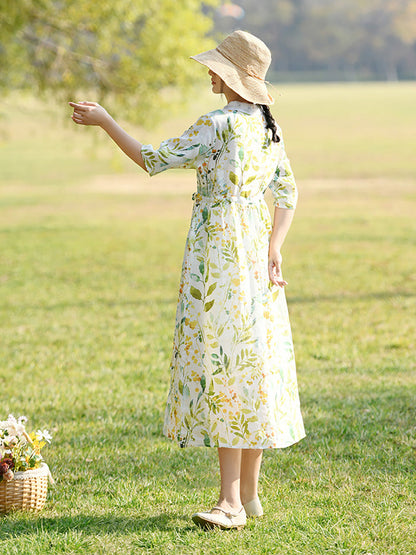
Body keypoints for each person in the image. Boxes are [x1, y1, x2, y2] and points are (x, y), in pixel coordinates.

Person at [69, 30, 305, 531]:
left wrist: (106, 121)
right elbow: (287, 192)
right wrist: (275, 248)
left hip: (221, 261)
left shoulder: (218, 124)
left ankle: (230, 504)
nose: (208, 72)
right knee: (251, 363)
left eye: (214, 66)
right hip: (254, 257)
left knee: (225, 368)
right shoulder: (267, 126)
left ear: (226, 75)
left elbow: (152, 158)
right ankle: (251, 493)